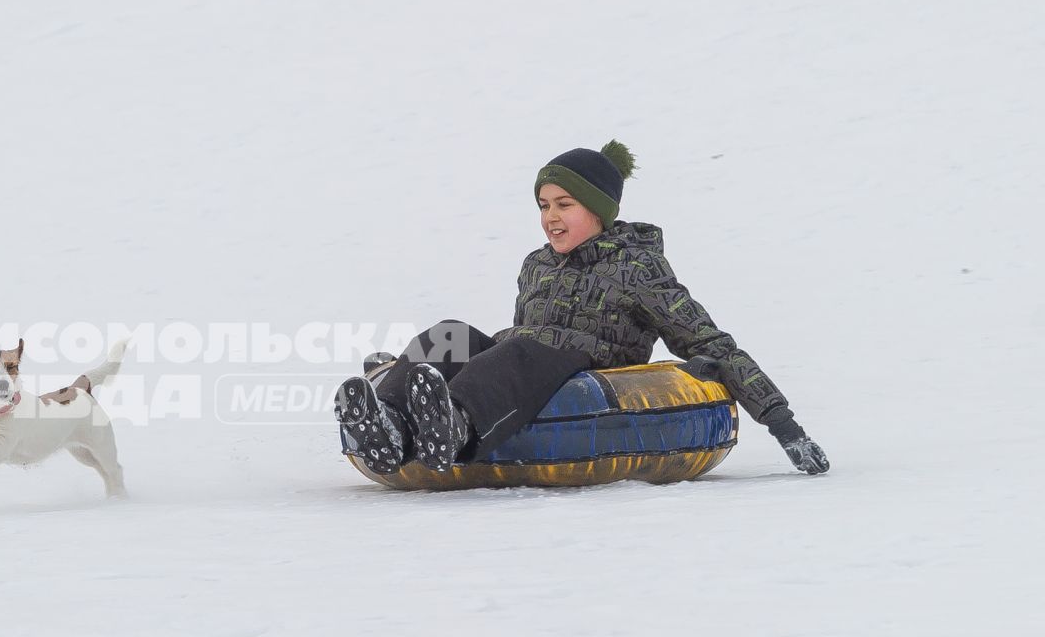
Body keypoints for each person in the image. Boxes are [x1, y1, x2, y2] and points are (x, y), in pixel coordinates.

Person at [335, 143, 829, 476]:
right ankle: (391, 426)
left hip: (585, 372)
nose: (550, 217)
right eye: (543, 205)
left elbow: (710, 342)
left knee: (523, 351)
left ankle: (457, 426)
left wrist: (786, 426)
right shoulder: (536, 265)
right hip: (524, 366)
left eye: (564, 204)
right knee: (451, 334)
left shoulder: (639, 267)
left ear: (599, 210)